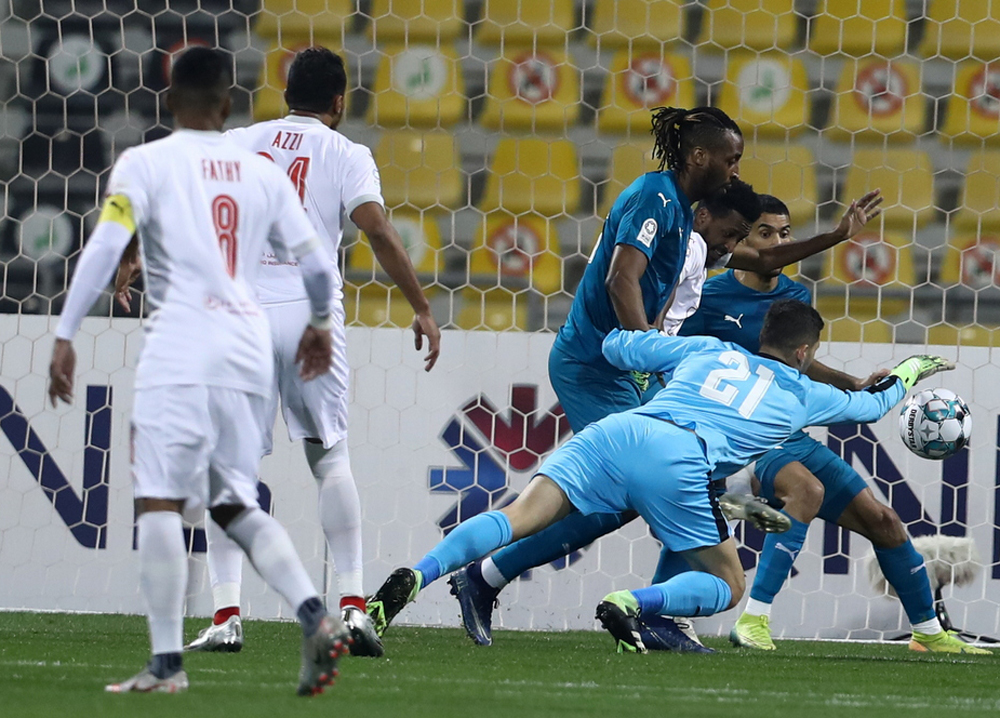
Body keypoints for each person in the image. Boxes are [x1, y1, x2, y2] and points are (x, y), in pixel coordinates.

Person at [441, 138, 883, 649]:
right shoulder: (678, 228)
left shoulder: (698, 240)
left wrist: (834, 236)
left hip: (632, 373)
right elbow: (621, 280)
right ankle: (487, 576)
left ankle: (657, 610)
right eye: (736, 233)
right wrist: (647, 359)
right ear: (704, 201)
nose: (736, 247)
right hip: (600, 366)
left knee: (687, 484)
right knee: (616, 499)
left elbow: (764, 259)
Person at [363, 300, 954, 651]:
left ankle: (412, 580)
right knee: (727, 585)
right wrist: (907, 369)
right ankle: (633, 602)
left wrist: (643, 342)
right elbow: (873, 407)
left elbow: (621, 345)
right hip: (679, 460)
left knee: (514, 516)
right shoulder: (804, 393)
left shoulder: (707, 350)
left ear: (763, 339)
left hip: (620, 429)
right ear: (804, 352)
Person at [116, 47, 442, 658]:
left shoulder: (243, 140)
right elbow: (375, 227)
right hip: (310, 318)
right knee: (331, 460)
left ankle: (227, 615)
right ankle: (351, 609)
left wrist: (133, 250)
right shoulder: (346, 153)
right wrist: (420, 306)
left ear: (286, 93)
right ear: (340, 101)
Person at [49, 47, 351, 695]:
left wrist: (66, 330)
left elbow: (106, 245)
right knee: (233, 502)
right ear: (227, 106)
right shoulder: (259, 172)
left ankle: (165, 666)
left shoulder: (146, 162)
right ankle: (314, 614)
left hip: (180, 343)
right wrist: (323, 327)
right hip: (245, 345)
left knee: (159, 498)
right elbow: (320, 267)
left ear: (168, 102)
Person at [677, 196, 988, 654]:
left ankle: (929, 633)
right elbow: (682, 360)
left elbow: (801, 365)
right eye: (767, 233)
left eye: (785, 234)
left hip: (789, 432)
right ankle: (751, 622)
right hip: (747, 435)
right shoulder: (710, 293)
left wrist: (855, 384)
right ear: (744, 239)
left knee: (883, 522)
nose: (780, 242)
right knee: (806, 492)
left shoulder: (795, 297)